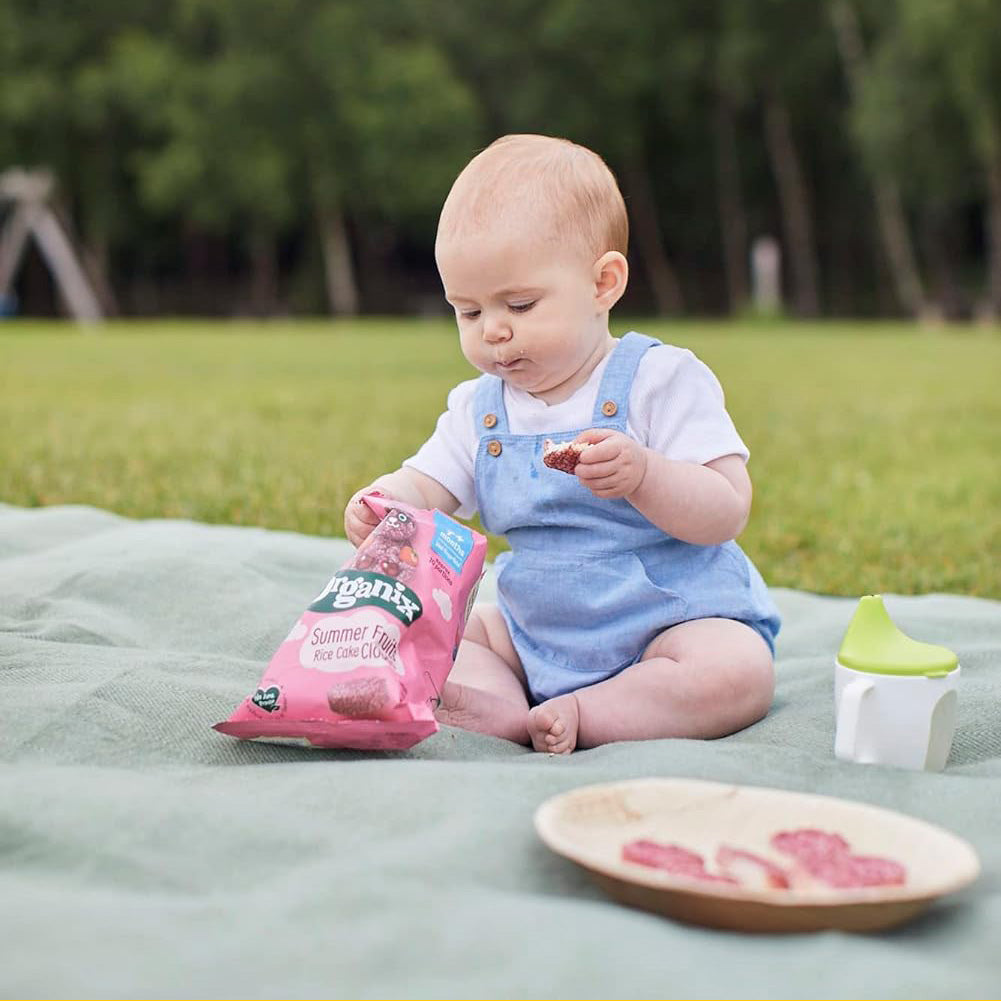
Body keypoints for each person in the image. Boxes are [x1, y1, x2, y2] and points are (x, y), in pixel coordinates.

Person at [344, 134, 781, 754]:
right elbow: (427, 489)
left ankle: (590, 711)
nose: (493, 331)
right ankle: (498, 705)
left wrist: (644, 476)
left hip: (667, 625)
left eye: (519, 304)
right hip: (531, 632)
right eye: (467, 313)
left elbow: (727, 507)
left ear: (603, 283)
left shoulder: (659, 381)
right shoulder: (479, 409)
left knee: (736, 669)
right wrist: (385, 504)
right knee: (444, 634)